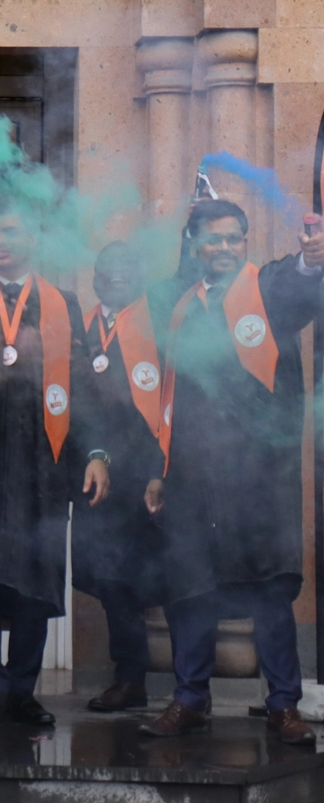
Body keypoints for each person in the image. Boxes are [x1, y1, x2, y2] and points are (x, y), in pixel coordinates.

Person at [139, 199, 324, 745]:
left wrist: (312, 260)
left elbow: (298, 282)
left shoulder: (265, 289)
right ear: (194, 245)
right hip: (192, 474)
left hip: (259, 476)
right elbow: (164, 397)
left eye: (233, 238)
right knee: (191, 588)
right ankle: (189, 699)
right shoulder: (179, 306)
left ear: (245, 241)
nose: (224, 248)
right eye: (213, 239)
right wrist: (158, 471)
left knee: (268, 592)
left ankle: (283, 705)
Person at [0, 204, 110, 729]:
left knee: (34, 578)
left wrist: (96, 453)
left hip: (41, 459)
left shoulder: (61, 303)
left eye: (11, 230)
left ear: (33, 238)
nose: (1, 240)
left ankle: (22, 691)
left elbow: (83, 386)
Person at [73, 242, 165, 712]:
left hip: (150, 471)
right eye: (109, 268)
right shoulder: (81, 326)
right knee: (108, 577)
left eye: (128, 267)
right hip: (96, 470)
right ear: (95, 277)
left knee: (164, 577)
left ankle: (188, 688)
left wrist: (159, 469)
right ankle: (129, 678)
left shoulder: (159, 324)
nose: (118, 275)